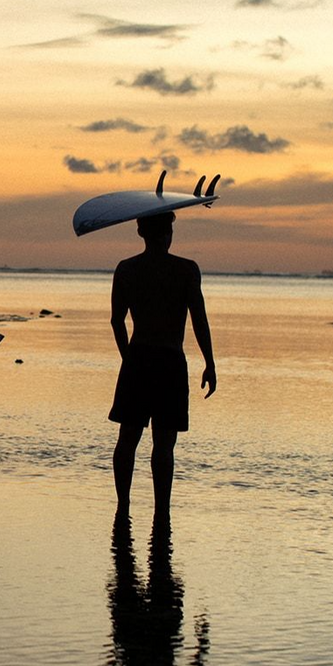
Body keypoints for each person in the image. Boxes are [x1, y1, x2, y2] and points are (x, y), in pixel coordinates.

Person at [109, 211, 215, 517]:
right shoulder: (186, 270)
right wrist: (209, 362)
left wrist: (127, 358)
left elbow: (117, 321)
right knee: (163, 445)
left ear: (141, 232)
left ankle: (123, 506)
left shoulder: (127, 269)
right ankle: (161, 511)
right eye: (168, 230)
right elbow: (200, 320)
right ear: (166, 233)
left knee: (128, 440)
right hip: (169, 360)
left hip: (139, 358)